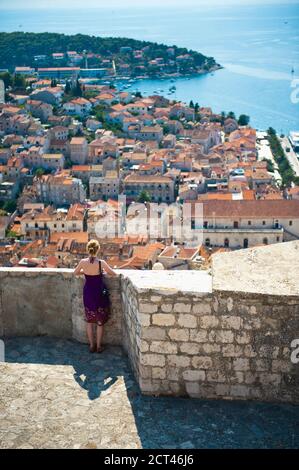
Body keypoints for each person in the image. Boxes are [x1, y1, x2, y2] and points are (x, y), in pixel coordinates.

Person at [74, 240, 117, 353]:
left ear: (88, 249)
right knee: (99, 322)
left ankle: (91, 346)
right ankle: (98, 346)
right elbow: (113, 273)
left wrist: (85, 273)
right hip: (98, 294)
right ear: (97, 250)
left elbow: (75, 272)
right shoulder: (100, 263)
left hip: (88, 293)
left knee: (89, 321)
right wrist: (102, 273)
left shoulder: (83, 262)